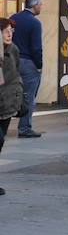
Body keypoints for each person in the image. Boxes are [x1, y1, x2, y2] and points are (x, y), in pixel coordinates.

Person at [11, 0, 42, 137]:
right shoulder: (35, 23)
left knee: (9, 93)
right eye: (40, 5)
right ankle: (24, 128)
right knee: (28, 96)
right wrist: (39, 65)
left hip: (12, 61)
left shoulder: (13, 18)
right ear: (35, 6)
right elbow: (36, 47)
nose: (41, 7)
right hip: (29, 63)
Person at [0, 17, 23, 195]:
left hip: (7, 103)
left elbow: (16, 73)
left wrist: (18, 95)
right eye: (5, 31)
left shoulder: (14, 49)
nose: (9, 34)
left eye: (11, 31)